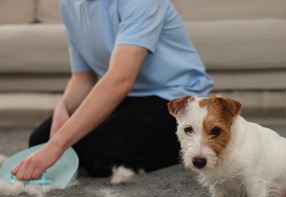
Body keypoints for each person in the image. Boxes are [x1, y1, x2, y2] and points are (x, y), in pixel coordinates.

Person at [11, 0, 212, 180]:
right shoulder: (68, 4)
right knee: (40, 140)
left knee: (97, 157)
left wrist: (57, 145)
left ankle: (192, 139)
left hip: (175, 97)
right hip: (130, 94)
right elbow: (83, 76)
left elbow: (120, 79)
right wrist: (62, 109)